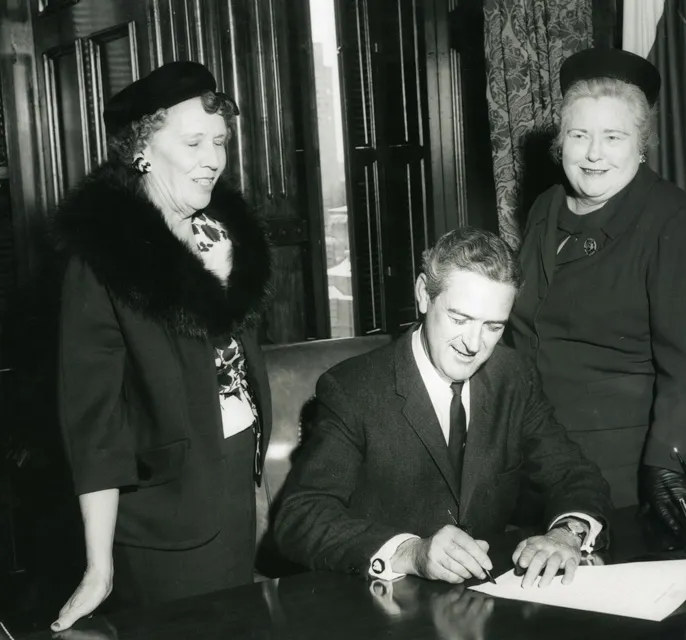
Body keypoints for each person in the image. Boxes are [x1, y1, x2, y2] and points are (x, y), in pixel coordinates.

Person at [50, 61, 272, 630]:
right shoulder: (103, 259)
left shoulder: (224, 235)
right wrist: (99, 568)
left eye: (219, 141)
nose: (213, 158)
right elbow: (94, 425)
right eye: (193, 141)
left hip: (237, 497)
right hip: (165, 523)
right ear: (142, 149)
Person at [274, 228, 612, 589]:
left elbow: (572, 473)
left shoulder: (513, 376)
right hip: (384, 605)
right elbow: (299, 517)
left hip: (485, 603)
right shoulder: (353, 389)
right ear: (423, 294)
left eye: (493, 326)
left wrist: (566, 533)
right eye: (459, 319)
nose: (473, 344)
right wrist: (410, 552)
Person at [506, 48, 686, 532]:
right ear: (561, 144)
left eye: (613, 137)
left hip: (639, 471)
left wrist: (667, 463)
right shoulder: (545, 209)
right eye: (579, 135)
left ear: (642, 145)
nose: (594, 154)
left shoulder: (673, 221)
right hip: (555, 462)